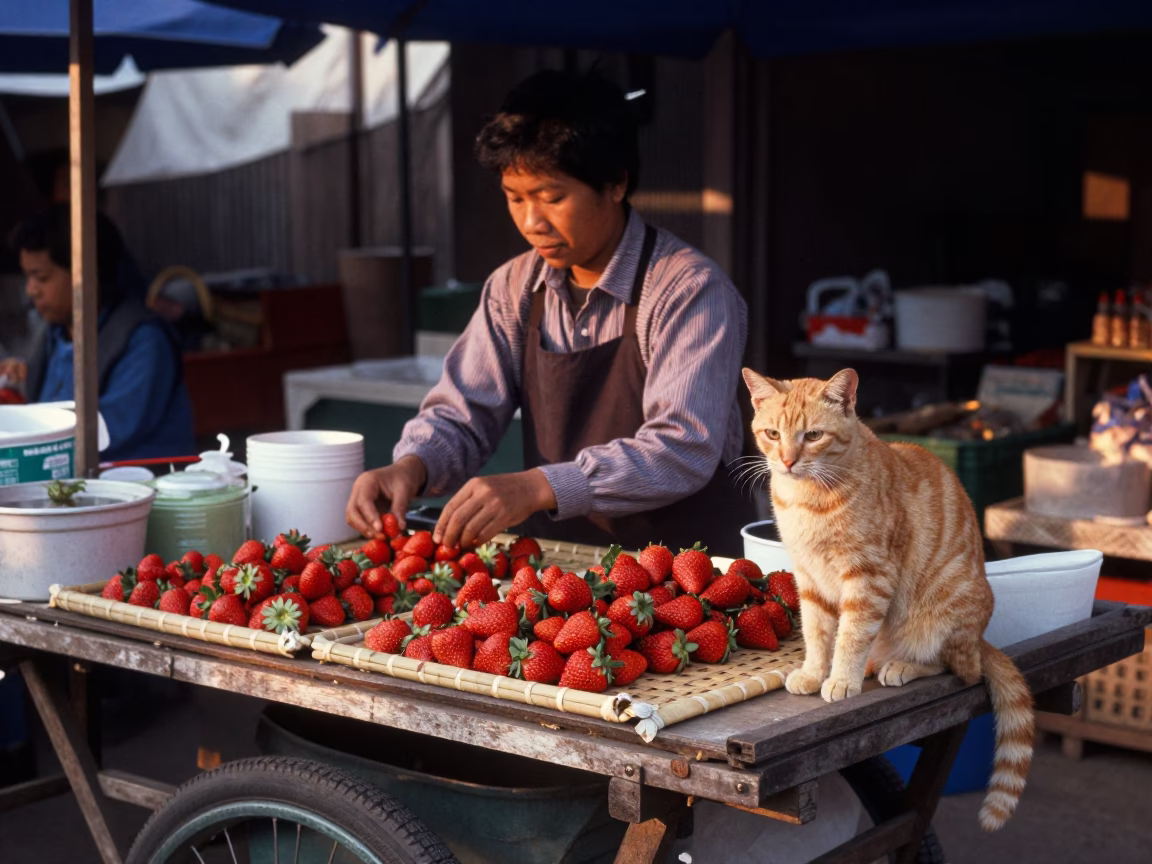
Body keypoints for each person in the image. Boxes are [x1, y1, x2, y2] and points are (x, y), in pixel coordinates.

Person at [345, 69, 754, 555]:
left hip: (691, 571)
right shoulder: (513, 287)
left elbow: (682, 448)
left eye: (551, 197)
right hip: (562, 571)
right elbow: (466, 409)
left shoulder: (689, 290)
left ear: (616, 183)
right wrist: (412, 466)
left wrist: (539, 487)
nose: (531, 221)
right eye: (515, 198)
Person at [3, 203, 195, 462]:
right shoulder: (55, 336)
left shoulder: (144, 341)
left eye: (41, 277)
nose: (31, 290)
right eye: (28, 278)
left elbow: (107, 430)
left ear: (86, 273)